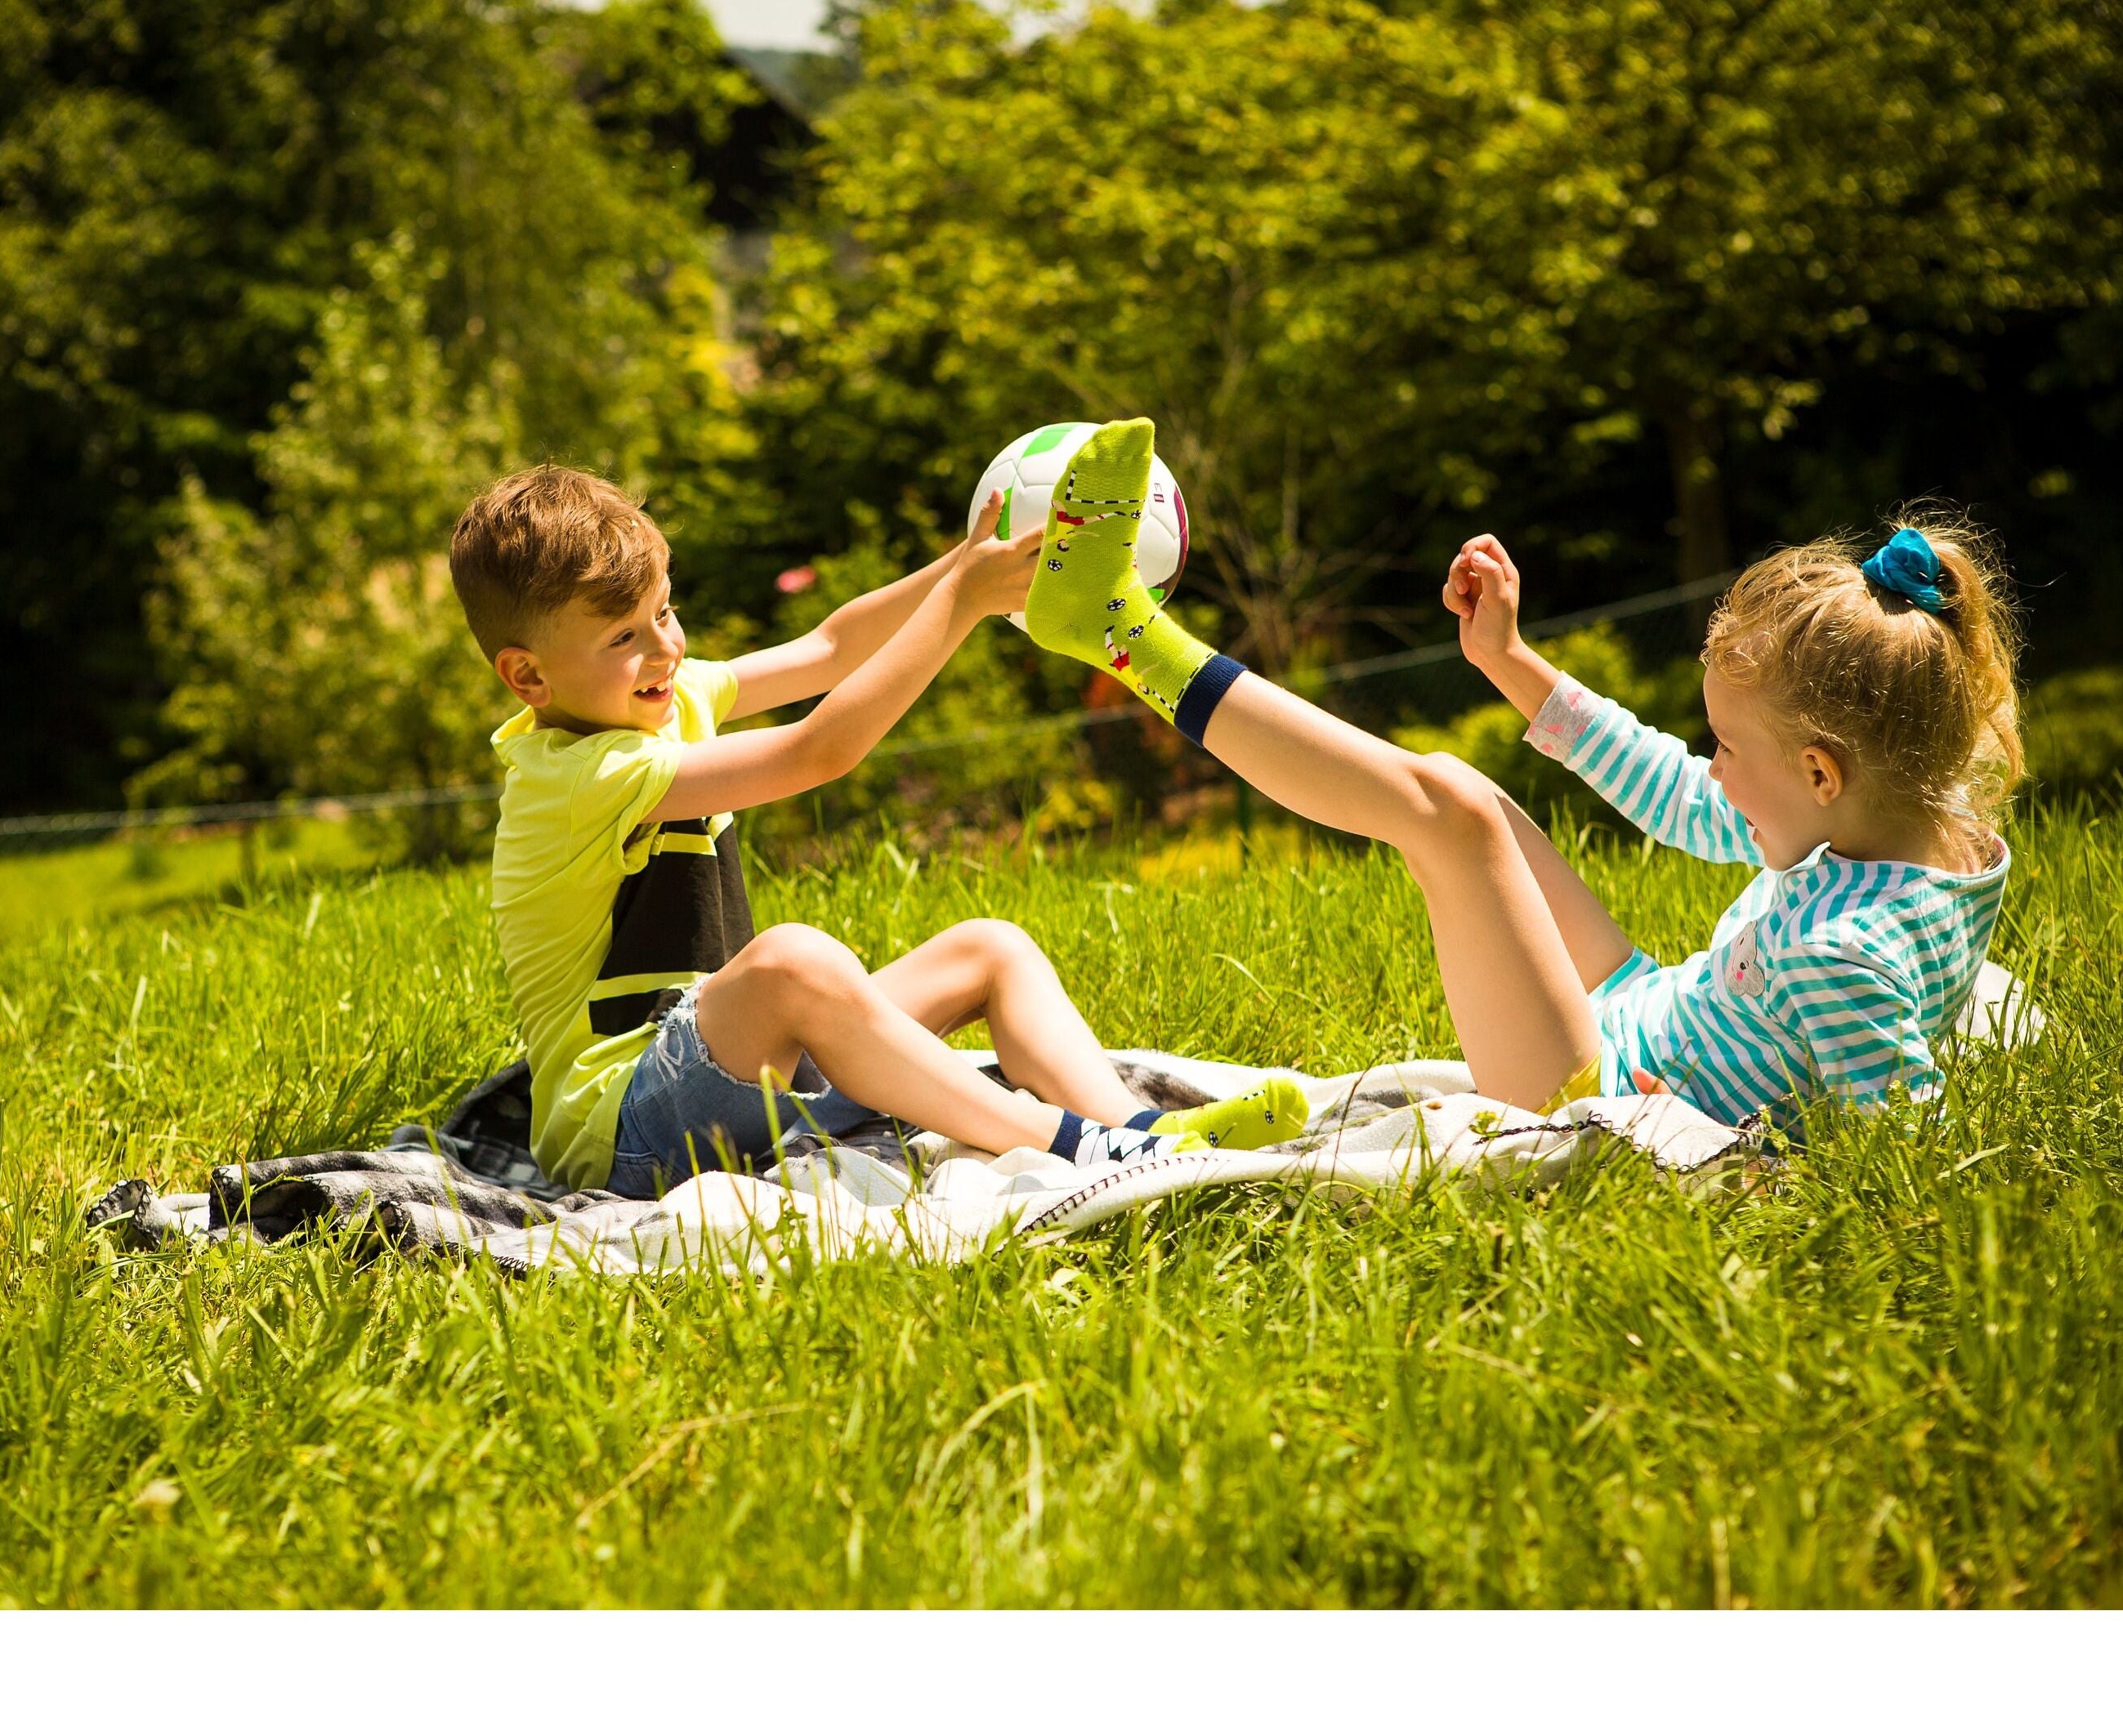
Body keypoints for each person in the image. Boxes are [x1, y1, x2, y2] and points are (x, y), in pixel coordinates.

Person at [1023, 418, 2021, 1133]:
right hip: (1643, 1008)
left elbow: (1903, 1162)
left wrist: (1729, 1152)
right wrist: (1508, 660)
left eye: (1724, 746)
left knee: (1447, 810)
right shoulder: (1916, 825)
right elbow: (1675, 793)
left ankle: (1123, 635)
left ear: (1816, 771)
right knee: (1471, 789)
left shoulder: (1844, 956)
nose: (1709, 766)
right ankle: (1122, 630)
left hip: (1593, 1094)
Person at [450, 465, 1310, 1197]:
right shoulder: (577, 777)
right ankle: (1061, 1140)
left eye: (665, 613)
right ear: (528, 675)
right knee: (797, 963)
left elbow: (828, 649)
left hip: (740, 1077)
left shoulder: (658, 697)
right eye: (624, 636)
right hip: (625, 1135)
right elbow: (820, 750)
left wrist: (959, 565)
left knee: (990, 947)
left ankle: (1145, 1133)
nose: (665, 651)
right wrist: (963, 604)